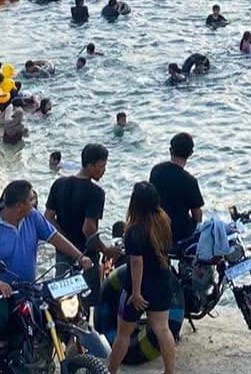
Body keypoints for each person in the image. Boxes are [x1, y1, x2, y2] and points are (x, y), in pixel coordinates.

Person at [0, 180, 93, 374]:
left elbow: (55, 237)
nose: (35, 200)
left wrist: (79, 257)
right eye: (31, 199)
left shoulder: (33, 217)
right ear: (21, 205)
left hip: (28, 286)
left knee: (55, 312)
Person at [106, 181, 177, 374]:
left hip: (138, 287)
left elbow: (137, 263)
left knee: (123, 334)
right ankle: (170, 371)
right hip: (162, 281)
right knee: (163, 329)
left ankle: (110, 371)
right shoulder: (164, 220)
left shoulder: (134, 230)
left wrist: (136, 293)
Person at [45, 144, 109, 266]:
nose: (104, 170)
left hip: (63, 251)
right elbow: (88, 229)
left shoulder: (59, 184)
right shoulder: (96, 192)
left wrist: (64, 240)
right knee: (90, 284)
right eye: (102, 166)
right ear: (90, 166)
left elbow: (48, 217)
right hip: (86, 254)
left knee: (62, 282)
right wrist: (105, 250)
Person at [149, 132, 204, 250]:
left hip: (158, 229)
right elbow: (197, 213)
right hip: (181, 233)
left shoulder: (156, 171)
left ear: (170, 150)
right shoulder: (190, 181)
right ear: (190, 154)